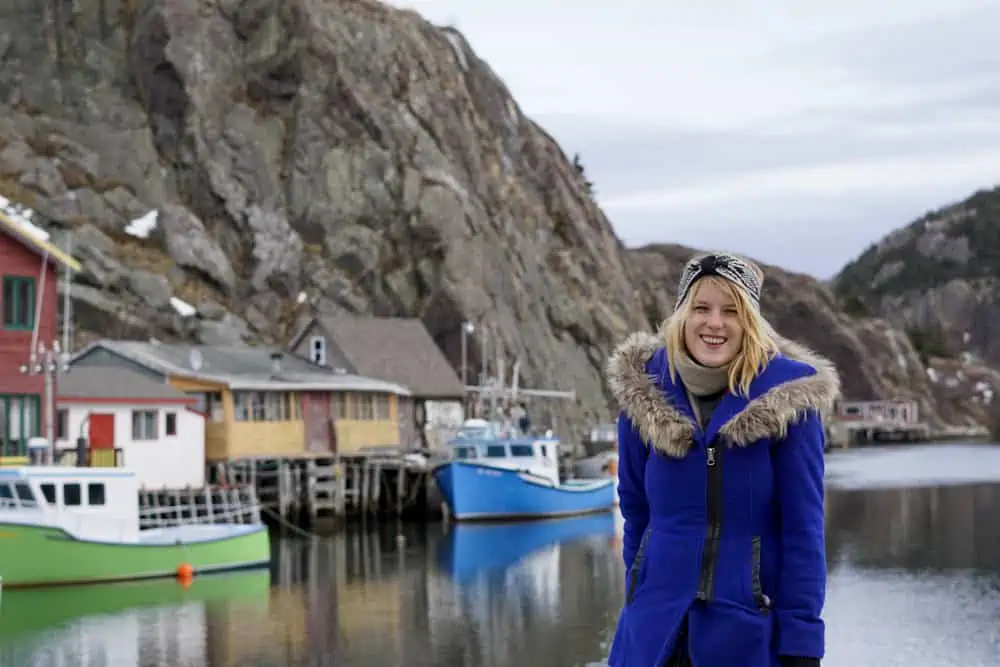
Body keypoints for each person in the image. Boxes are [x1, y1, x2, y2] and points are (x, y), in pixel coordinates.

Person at [604, 252, 839, 667]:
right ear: (682, 315)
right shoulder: (644, 394)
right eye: (702, 308)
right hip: (650, 640)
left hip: (745, 640)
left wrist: (802, 643)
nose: (715, 323)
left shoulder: (786, 402)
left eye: (731, 311)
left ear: (749, 322)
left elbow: (804, 531)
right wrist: (639, 595)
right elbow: (636, 512)